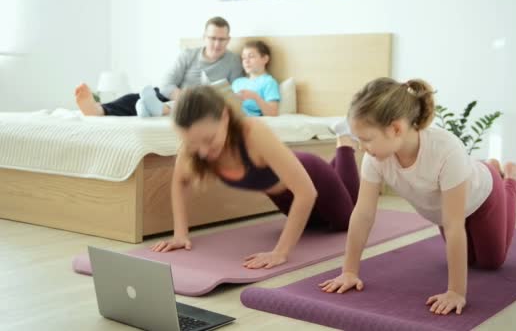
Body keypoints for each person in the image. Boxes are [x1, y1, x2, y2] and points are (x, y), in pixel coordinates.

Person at [318, 77, 516, 316]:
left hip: (483, 196)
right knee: (467, 262)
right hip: (446, 207)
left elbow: (454, 225)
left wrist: (456, 292)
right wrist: (349, 271)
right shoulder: (375, 158)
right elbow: (363, 214)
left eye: (366, 139)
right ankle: (490, 168)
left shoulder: (446, 150)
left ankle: (509, 179)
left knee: (491, 263)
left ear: (396, 128)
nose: (362, 147)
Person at [150, 85, 360, 270]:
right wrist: (180, 234)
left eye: (209, 140)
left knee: (346, 221)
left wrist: (280, 253)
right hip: (283, 195)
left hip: (313, 176)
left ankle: (344, 142)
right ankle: (337, 164)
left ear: (225, 117)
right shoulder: (194, 142)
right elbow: (180, 181)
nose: (203, 152)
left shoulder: (252, 132)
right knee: (315, 227)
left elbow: (306, 192)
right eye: (195, 145)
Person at [73, 16, 243, 116]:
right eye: (213, 38)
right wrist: (182, 96)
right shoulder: (189, 54)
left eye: (222, 39)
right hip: (174, 96)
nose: (217, 44)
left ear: (228, 40)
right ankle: (99, 110)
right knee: (136, 97)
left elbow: (235, 96)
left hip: (203, 106)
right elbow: (166, 84)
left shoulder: (233, 61)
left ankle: (159, 109)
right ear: (204, 37)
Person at [138, 40, 280, 117]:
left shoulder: (269, 82)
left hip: (241, 115)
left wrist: (255, 97)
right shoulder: (238, 81)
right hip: (224, 109)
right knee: (201, 98)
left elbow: (273, 112)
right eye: (243, 58)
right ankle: (153, 109)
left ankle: (158, 109)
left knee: (200, 104)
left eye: (251, 56)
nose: (246, 61)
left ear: (265, 58)